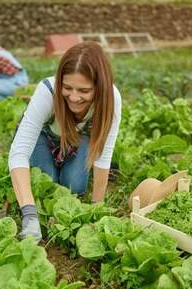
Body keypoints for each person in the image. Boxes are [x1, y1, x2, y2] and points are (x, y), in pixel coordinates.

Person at [8, 41, 122, 243]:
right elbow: (19, 153)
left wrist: (97, 208)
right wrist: (29, 214)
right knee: (47, 185)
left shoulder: (111, 98)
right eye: (67, 88)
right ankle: (55, 160)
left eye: (84, 91)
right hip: (45, 135)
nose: (74, 97)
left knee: (74, 187)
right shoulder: (47, 91)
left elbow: (104, 154)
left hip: (80, 137)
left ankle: (66, 160)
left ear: (99, 87)